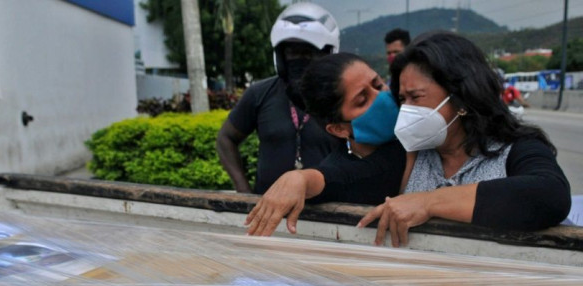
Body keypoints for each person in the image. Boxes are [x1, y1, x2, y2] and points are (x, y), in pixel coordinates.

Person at [358, 31, 571, 246]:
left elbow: (549, 196)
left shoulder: (515, 149)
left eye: (416, 97)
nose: (406, 110)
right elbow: (346, 178)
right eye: (402, 99)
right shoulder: (410, 153)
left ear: (460, 98)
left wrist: (428, 202)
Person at [245, 53, 406, 236]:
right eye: (362, 100)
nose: (381, 97)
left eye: (378, 85)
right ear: (338, 129)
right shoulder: (343, 167)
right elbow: (340, 178)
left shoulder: (420, 134)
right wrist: (301, 179)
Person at [217, 2, 340, 194]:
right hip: (268, 212)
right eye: (292, 52)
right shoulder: (259, 93)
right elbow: (226, 138)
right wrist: (244, 191)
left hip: (330, 214)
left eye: (308, 52)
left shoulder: (341, 95)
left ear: (326, 53)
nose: (299, 58)